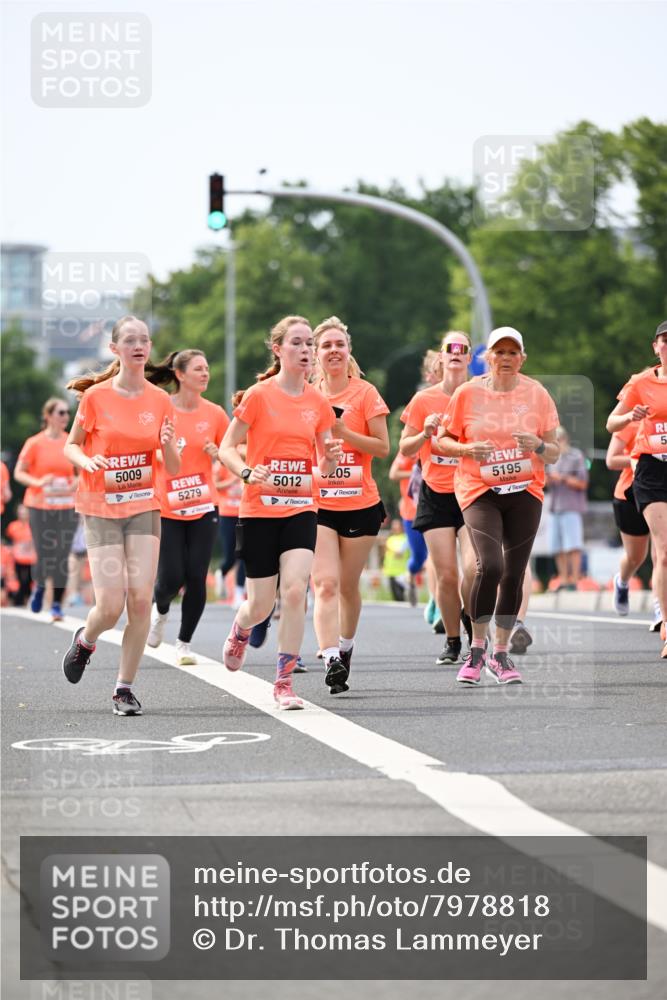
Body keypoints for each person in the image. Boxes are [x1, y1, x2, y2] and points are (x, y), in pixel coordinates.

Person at [218, 315, 342, 710]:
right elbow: (226, 448)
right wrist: (249, 472)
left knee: (294, 590)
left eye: (309, 344)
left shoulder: (318, 403)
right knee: (261, 603)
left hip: (301, 507)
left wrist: (331, 461)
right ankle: (241, 628)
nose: (306, 351)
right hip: (258, 510)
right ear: (278, 349)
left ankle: (284, 681)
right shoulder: (258, 396)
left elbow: (325, 466)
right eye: (297, 343)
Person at [60, 315, 180, 715]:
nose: (139, 345)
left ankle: (123, 689)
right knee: (110, 606)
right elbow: (71, 447)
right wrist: (87, 460)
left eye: (144, 339)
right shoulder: (96, 397)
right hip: (100, 506)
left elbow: (175, 467)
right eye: (130, 340)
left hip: (144, 503)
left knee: (142, 601)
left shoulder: (161, 400)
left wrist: (169, 445)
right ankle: (86, 639)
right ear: (115, 349)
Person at [438, 327, 560, 685]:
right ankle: (476, 650)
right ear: (486, 358)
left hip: (525, 490)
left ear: (522, 358)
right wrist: (465, 449)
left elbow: (554, 452)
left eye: (512, 353)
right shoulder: (467, 393)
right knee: (489, 566)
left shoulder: (537, 394)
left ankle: (501, 655)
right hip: (480, 490)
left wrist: (537, 444)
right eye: (499, 353)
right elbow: (442, 441)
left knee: (513, 572)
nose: (505, 359)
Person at [310, 316, 389, 693]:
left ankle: (345, 646)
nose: (333, 351)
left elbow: (383, 447)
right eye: (326, 345)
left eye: (339, 344)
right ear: (315, 353)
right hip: (318, 503)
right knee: (324, 584)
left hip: (360, 503)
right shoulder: (306, 396)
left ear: (349, 350)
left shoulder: (365, 393)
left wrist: (345, 434)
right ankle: (329, 658)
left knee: (347, 586)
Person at [147, 350, 229, 666]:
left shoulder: (215, 414)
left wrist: (218, 452)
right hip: (166, 505)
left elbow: (234, 451)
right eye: (198, 369)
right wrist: (163, 452)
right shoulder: (160, 408)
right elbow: (143, 446)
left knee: (196, 574)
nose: (205, 373)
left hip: (203, 504)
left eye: (207, 368)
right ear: (180, 375)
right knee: (170, 577)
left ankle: (184, 643)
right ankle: (161, 609)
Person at [400, 331, 477, 666]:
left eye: (463, 349)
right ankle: (452, 640)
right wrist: (424, 433)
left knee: (475, 569)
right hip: (436, 492)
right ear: (442, 358)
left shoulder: (482, 394)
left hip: (473, 491)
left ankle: (475, 627)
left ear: (470, 356)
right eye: (451, 349)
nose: (456, 354)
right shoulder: (424, 400)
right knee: (446, 574)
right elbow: (404, 448)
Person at [606, 320, 667, 658]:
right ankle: (664, 619)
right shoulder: (640, 384)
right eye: (665, 340)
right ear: (655, 346)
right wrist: (631, 416)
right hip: (648, 474)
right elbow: (611, 423)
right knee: (652, 551)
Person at [14, 397, 78, 621]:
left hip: (66, 505)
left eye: (67, 413)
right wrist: (39, 482)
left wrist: (74, 484)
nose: (65, 417)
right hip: (39, 505)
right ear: (48, 415)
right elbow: (19, 473)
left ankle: (57, 605)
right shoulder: (34, 443)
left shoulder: (71, 441)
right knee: (44, 554)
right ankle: (40, 585)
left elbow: (82, 473)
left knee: (61, 555)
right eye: (60, 412)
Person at [606, 421, 654, 618]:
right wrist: (645, 458)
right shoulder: (632, 420)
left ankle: (660, 610)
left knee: (662, 552)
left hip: (661, 492)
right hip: (630, 494)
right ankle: (623, 581)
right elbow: (611, 460)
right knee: (636, 556)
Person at [545, 426, 588, 590]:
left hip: (571, 506)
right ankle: (563, 579)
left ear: (563, 440)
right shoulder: (550, 459)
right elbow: (545, 482)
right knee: (557, 546)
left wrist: (562, 478)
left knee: (573, 545)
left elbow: (582, 483)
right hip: (555, 507)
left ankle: (575, 580)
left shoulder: (576, 456)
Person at [389, 450, 428, 606]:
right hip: (411, 512)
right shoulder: (410, 450)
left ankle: (438, 603)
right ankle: (410, 574)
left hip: (436, 509)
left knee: (435, 559)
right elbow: (393, 474)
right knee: (419, 556)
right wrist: (415, 473)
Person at [214, 462, 246, 608]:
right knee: (230, 556)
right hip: (226, 514)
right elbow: (214, 485)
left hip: (244, 514)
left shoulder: (249, 461)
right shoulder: (223, 464)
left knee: (243, 554)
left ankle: (239, 593)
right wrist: (232, 481)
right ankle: (222, 572)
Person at [5, 503, 36, 606]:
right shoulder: (12, 526)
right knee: (18, 581)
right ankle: (19, 602)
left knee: (29, 581)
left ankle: (29, 601)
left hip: (31, 559)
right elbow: (10, 541)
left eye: (25, 511)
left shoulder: (34, 525)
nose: (22, 513)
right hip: (17, 559)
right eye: (20, 511)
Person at [382, 517, 410, 600]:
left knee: (400, 596)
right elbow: (387, 554)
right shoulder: (390, 539)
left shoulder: (406, 539)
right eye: (393, 525)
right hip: (390, 572)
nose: (394, 527)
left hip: (402, 572)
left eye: (397, 525)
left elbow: (399, 553)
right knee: (395, 596)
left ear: (402, 527)